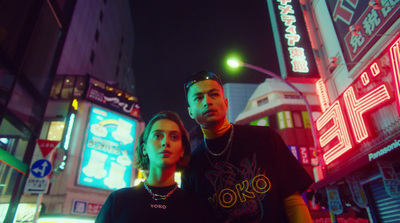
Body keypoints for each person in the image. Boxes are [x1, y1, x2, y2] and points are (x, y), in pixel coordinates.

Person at [182, 71, 314, 223]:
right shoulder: (192, 167)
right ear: (190, 112)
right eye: (198, 98)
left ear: (226, 103)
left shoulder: (265, 137)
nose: (207, 102)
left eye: (214, 94)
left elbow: (292, 202)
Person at [96, 111, 216, 223]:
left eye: (174, 137)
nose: (165, 142)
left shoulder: (196, 208)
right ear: (144, 149)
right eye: (158, 136)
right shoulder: (118, 201)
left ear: (182, 151)